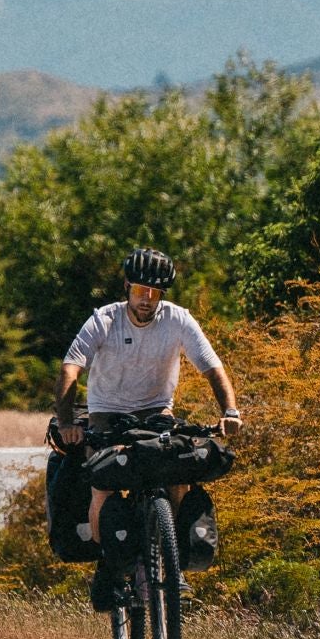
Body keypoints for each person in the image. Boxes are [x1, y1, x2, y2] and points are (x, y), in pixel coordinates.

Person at [54, 246, 241, 609]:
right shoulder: (104, 321)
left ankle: (173, 566)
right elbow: (70, 369)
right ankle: (107, 567)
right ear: (127, 286)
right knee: (102, 488)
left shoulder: (178, 320)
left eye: (156, 293)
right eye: (141, 290)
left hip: (158, 412)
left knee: (178, 475)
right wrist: (66, 423)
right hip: (107, 413)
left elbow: (212, 368)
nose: (148, 299)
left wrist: (229, 410)